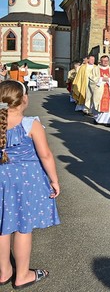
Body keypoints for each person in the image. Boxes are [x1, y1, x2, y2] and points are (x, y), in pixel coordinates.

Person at [0, 80, 60, 288]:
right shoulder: (31, 123)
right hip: (27, 179)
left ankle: (4, 271)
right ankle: (22, 275)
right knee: (23, 227)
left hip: (1, 178)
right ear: (24, 99)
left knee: (3, 226)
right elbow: (45, 155)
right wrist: (54, 180)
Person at [89, 55, 110, 126]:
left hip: (109, 89)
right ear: (100, 61)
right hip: (99, 89)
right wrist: (101, 79)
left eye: (106, 61)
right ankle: (97, 119)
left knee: (108, 106)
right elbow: (91, 79)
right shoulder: (95, 69)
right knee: (98, 104)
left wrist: (109, 80)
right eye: (103, 61)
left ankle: (107, 121)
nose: (105, 62)